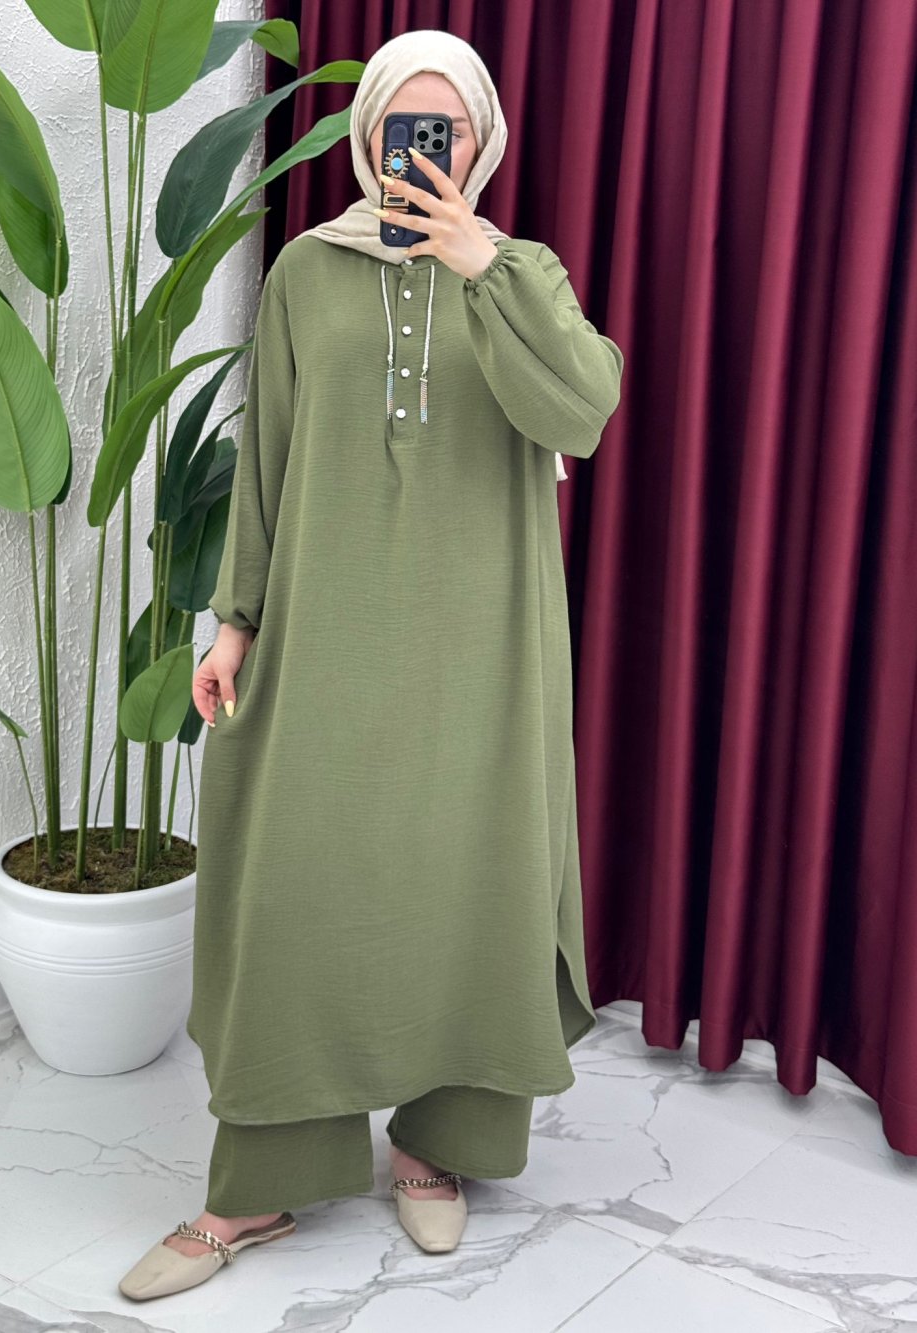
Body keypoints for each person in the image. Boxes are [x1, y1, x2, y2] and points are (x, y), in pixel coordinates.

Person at [118, 27, 623, 1302]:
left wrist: (481, 265)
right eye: (407, 125)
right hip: (327, 623)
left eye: (449, 130)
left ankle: (438, 1146)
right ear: (368, 137)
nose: (426, 149)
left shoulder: (524, 271)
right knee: (302, 878)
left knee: (469, 876)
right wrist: (234, 622)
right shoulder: (307, 272)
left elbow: (584, 407)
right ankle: (256, 1186)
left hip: (487, 641)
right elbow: (271, 458)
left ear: (482, 143)